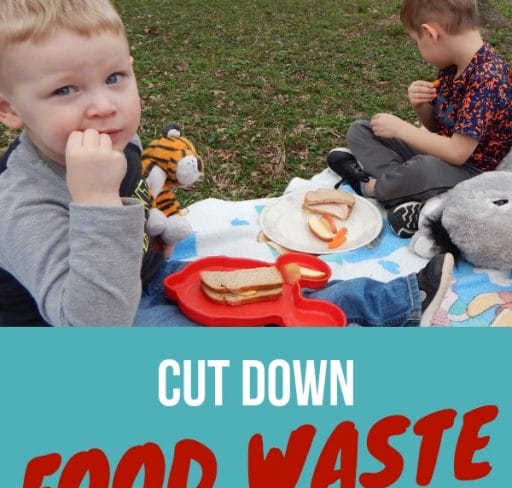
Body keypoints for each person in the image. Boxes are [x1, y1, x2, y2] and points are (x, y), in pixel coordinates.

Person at [0, 0, 452, 328]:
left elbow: (133, 197)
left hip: (140, 276)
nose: (103, 105)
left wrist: (152, 230)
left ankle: (400, 300)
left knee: (269, 289)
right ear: (9, 109)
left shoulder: (113, 141)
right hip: (89, 325)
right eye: (65, 90)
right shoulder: (21, 203)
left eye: (114, 77)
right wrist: (95, 203)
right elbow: (90, 326)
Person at [326, 0, 512, 238]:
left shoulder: (488, 78)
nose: (418, 48)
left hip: (473, 171)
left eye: (416, 41)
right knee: (361, 131)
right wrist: (421, 106)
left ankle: (368, 187)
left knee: (423, 168)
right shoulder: (454, 67)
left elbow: (458, 153)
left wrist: (403, 130)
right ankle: (405, 190)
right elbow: (437, 127)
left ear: (429, 33)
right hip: (442, 156)